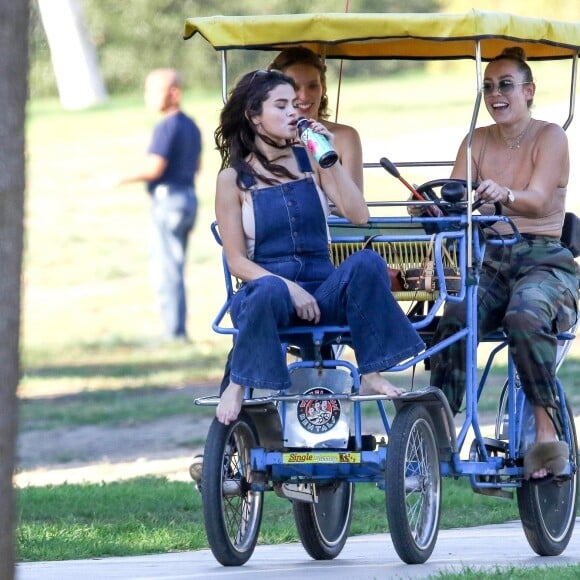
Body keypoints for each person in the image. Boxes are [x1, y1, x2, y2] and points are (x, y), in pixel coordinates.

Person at [213, 69, 425, 425]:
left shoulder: (309, 159)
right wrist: (290, 289)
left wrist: (331, 160)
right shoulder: (232, 179)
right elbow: (235, 260)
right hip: (270, 294)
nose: (293, 113)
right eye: (280, 106)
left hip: (322, 289)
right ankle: (239, 381)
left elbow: (359, 216)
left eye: (294, 105)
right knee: (264, 290)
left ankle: (371, 373)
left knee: (367, 262)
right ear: (254, 116)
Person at [429, 47, 578, 480]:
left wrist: (504, 195)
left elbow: (535, 200)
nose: (496, 94)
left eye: (506, 85)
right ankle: (437, 426)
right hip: (491, 260)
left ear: (528, 91)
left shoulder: (550, 136)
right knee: (455, 317)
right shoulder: (477, 139)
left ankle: (546, 430)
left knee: (524, 316)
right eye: (489, 86)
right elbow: (455, 193)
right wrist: (436, 210)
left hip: (545, 259)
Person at [116, 68, 202, 341]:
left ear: (173, 93)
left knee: (166, 268)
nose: (148, 97)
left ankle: (174, 332)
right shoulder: (191, 125)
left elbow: (155, 168)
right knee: (176, 264)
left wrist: (120, 178)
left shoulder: (167, 125)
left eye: (154, 90)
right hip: (188, 197)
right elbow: (196, 166)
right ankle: (176, 328)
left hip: (168, 200)